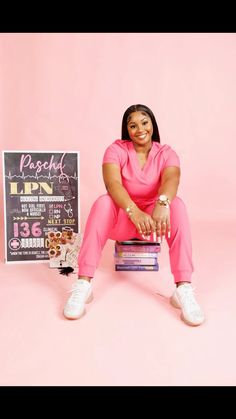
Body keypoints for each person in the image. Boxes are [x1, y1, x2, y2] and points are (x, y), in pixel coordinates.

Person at [63, 104, 205, 326]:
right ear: (127, 129)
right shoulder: (116, 150)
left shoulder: (166, 153)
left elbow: (171, 180)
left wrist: (162, 201)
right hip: (123, 220)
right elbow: (113, 184)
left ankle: (183, 288)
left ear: (152, 124)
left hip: (153, 224)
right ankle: (83, 284)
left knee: (177, 205)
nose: (140, 129)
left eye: (145, 122)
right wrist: (133, 211)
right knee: (103, 202)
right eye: (133, 125)